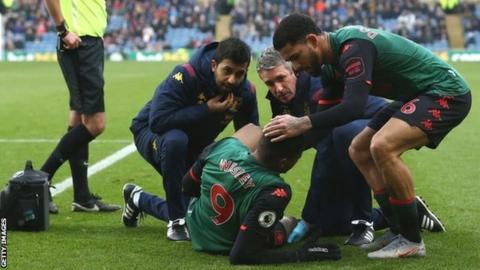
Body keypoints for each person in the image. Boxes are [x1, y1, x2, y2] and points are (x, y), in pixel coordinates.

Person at [265, 13, 470, 258]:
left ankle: (412, 240)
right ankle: (397, 229)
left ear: (312, 41)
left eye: (296, 57)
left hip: (446, 92)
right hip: (416, 97)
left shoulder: (353, 47)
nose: (296, 67)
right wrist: (282, 151)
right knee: (358, 149)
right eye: (291, 62)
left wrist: (301, 122)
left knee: (382, 146)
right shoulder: (330, 67)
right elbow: (326, 119)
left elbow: (353, 106)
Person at [256, 48, 445, 246]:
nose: (277, 88)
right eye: (270, 83)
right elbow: (291, 145)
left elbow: (324, 149)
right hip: (340, 142)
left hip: (377, 123)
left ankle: (363, 223)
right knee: (332, 225)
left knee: (344, 136)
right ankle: (410, 210)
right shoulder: (280, 99)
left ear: (293, 70)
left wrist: (309, 216)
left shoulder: (318, 86)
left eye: (281, 78)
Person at [122, 124, 342, 265]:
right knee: (287, 224)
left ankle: (137, 197)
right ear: (285, 162)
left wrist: (225, 183)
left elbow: (186, 188)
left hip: (195, 222)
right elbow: (242, 255)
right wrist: (304, 254)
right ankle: (137, 197)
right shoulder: (276, 189)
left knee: (198, 205)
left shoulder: (226, 146)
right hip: (222, 242)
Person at [126, 37, 259, 241]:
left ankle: (138, 199)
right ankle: (176, 221)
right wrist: (206, 110)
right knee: (175, 141)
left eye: (240, 73)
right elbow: (158, 120)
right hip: (153, 134)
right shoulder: (186, 74)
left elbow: (249, 138)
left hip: (197, 145)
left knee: (202, 216)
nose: (233, 80)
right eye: (227, 71)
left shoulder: (245, 92)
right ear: (214, 65)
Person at [42, 0, 120, 213]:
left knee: (78, 119)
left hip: (89, 42)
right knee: (96, 124)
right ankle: (41, 180)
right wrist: (62, 29)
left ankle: (82, 197)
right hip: (78, 42)